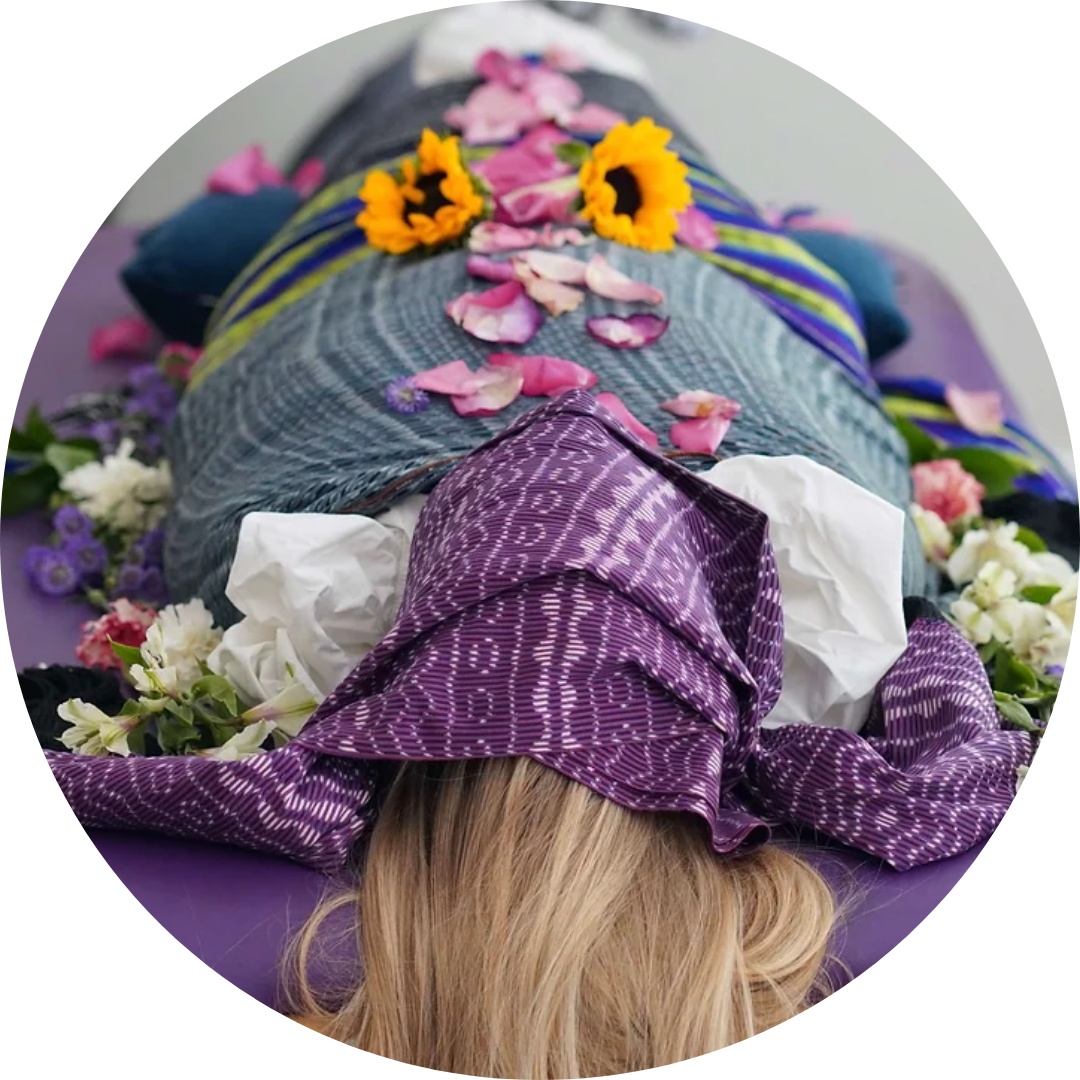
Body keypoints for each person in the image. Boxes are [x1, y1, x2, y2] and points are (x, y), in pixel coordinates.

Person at [43, 4, 1039, 1068]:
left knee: (450, 110)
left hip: (492, 256)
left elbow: (948, 753)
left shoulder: (840, 612)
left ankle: (523, 65)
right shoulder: (279, 623)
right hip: (529, 268)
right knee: (454, 140)